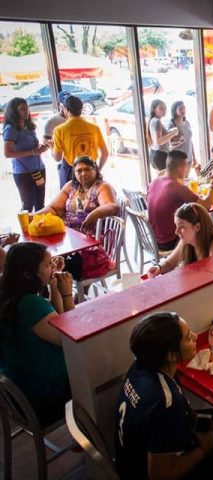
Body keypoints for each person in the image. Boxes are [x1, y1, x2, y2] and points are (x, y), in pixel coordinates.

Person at [115, 312, 213, 479]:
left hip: (129, 461)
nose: (194, 337)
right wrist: (203, 449)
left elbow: (181, 416)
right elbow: (160, 476)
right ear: (171, 355)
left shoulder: (140, 366)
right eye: (187, 337)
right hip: (146, 472)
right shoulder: (166, 401)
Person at [0, 242, 74, 426]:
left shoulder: (10, 295)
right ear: (28, 273)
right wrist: (67, 295)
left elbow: (54, 319)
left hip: (17, 388)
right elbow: (72, 338)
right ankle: (86, 434)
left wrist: (54, 287)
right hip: (42, 398)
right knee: (99, 374)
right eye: (48, 265)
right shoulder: (30, 304)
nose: (53, 268)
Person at [147, 150, 213, 251]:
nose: (186, 170)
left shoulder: (153, 183)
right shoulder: (176, 187)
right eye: (185, 167)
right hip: (171, 241)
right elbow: (206, 205)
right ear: (180, 169)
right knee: (207, 231)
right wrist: (212, 187)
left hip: (154, 239)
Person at [36, 156, 118, 235]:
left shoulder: (102, 187)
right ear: (74, 173)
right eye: (79, 171)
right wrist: (34, 216)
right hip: (67, 233)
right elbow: (54, 208)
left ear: (95, 170)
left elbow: (112, 206)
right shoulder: (70, 186)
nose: (83, 174)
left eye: (87, 169)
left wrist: (94, 215)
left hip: (90, 235)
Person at [147, 203, 213, 277]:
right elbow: (169, 263)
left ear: (197, 227)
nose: (176, 232)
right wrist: (159, 267)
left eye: (182, 227)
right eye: (176, 226)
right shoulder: (187, 240)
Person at [3, 97, 48, 212]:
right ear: (14, 112)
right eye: (22, 109)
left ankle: (39, 229)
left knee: (40, 204)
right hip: (23, 172)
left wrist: (42, 148)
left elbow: (33, 148)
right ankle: (26, 229)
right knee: (28, 205)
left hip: (39, 168)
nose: (26, 111)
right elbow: (7, 153)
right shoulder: (11, 129)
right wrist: (33, 152)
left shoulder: (29, 126)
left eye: (27, 108)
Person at [52, 95, 108, 188]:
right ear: (81, 109)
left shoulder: (60, 130)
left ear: (65, 109)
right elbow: (105, 153)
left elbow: (57, 158)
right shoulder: (94, 128)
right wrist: (97, 169)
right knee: (92, 200)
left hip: (71, 172)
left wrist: (51, 146)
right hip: (91, 170)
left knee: (71, 200)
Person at [147, 99, 180, 172]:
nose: (163, 110)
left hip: (155, 153)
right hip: (160, 155)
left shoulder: (153, 120)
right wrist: (173, 133)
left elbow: (158, 140)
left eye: (165, 108)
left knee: (161, 179)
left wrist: (171, 138)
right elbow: (159, 141)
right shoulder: (157, 121)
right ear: (154, 109)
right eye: (160, 108)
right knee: (165, 180)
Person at [167, 100, 198, 178]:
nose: (183, 110)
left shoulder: (187, 123)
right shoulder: (172, 124)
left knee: (186, 179)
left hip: (189, 157)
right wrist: (179, 142)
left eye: (184, 108)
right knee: (179, 180)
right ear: (175, 111)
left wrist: (194, 158)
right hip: (178, 159)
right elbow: (170, 145)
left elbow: (190, 141)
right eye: (180, 109)